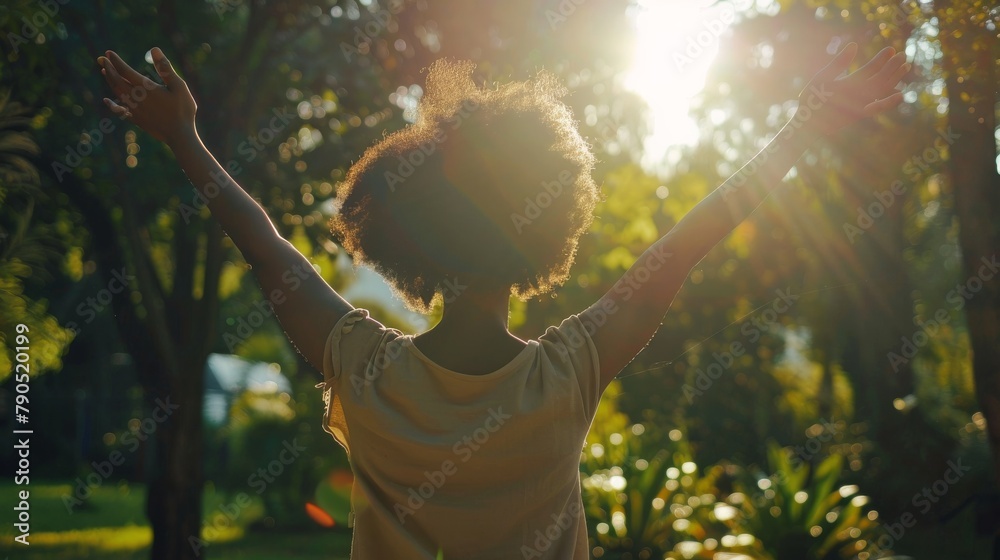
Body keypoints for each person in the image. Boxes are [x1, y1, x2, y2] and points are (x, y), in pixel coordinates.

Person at [98, 42, 908, 559]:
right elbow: (684, 246)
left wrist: (186, 141)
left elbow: (266, 247)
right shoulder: (569, 370)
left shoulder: (364, 369)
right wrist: (803, 130)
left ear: (407, 241)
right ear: (546, 228)